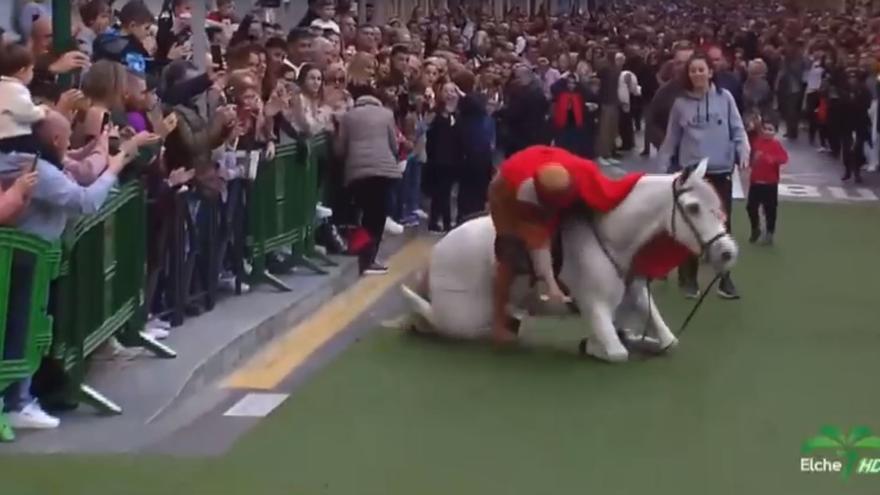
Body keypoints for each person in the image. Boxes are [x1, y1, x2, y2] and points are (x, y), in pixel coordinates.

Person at [486, 145, 643, 344]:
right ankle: (500, 319)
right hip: (505, 195)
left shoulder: (583, 172)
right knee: (509, 252)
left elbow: (609, 194)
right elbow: (538, 242)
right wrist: (551, 285)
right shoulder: (524, 195)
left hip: (548, 169)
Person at [657, 53, 749, 300]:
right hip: (693, 175)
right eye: (693, 71)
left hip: (721, 173)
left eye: (701, 70)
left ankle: (725, 280)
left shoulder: (725, 98)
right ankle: (688, 279)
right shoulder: (680, 105)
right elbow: (671, 139)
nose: (697, 74)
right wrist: (662, 167)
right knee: (691, 225)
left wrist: (743, 151)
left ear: (710, 72)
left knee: (722, 227)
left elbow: (737, 128)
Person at [334, 86, 400, 275]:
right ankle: (368, 260)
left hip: (357, 172)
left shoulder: (348, 117)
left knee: (364, 215)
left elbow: (340, 149)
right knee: (377, 218)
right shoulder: (387, 114)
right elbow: (394, 144)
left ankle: (363, 255)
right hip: (384, 170)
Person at [746, 118, 788, 246]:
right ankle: (755, 228)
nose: (767, 132)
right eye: (765, 128)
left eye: (770, 129)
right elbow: (750, 160)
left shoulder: (776, 145)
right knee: (751, 207)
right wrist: (753, 160)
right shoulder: (756, 142)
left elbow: (784, 158)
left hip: (770, 183)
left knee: (770, 209)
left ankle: (770, 232)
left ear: (775, 132)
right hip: (756, 181)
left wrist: (772, 159)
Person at [0, 43, 47, 155]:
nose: (33, 74)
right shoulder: (16, 89)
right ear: (22, 71)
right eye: (31, 70)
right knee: (40, 151)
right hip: (14, 137)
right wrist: (42, 110)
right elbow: (27, 113)